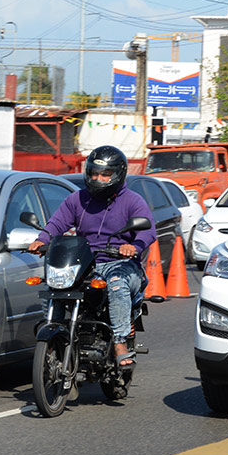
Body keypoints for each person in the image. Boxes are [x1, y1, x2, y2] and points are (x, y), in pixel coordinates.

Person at [28, 145, 156, 367]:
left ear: (117, 174)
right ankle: (54, 333)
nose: (98, 179)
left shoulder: (133, 201)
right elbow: (57, 223)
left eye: (105, 175)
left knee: (116, 284)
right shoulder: (77, 199)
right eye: (94, 173)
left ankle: (119, 341)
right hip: (85, 263)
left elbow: (148, 231)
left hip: (121, 264)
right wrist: (43, 240)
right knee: (55, 284)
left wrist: (134, 246)